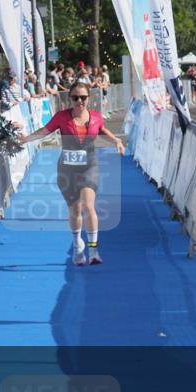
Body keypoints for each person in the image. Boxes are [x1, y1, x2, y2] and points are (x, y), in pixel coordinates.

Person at [19, 82, 125, 266]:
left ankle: (93, 250)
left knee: (88, 206)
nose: (79, 101)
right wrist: (26, 139)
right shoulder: (61, 117)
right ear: (70, 99)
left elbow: (102, 130)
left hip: (89, 166)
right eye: (75, 97)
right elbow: (45, 131)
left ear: (88, 98)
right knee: (74, 210)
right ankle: (77, 245)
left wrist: (116, 140)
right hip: (67, 169)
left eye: (83, 97)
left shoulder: (96, 116)